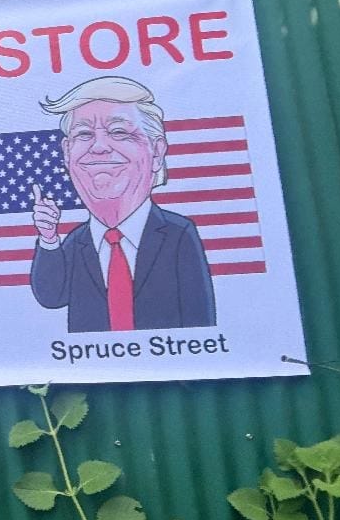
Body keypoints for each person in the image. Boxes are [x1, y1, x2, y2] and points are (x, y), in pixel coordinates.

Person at [29, 76, 215, 333]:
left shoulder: (178, 233)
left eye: (119, 132)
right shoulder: (77, 241)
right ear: (66, 152)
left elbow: (201, 321)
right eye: (83, 134)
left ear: (157, 152)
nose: (99, 147)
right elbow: (51, 297)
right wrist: (49, 239)